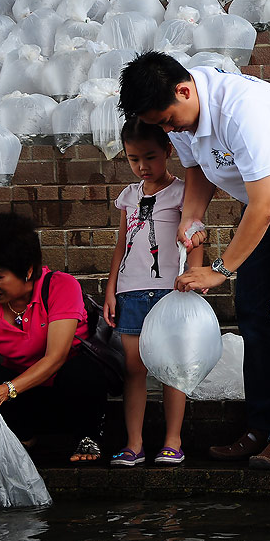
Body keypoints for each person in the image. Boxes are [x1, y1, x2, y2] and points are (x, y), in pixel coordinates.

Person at [118, 52, 270, 469]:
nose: (169, 131)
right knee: (253, 311)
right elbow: (197, 169)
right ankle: (259, 427)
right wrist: (191, 215)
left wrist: (220, 269)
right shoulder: (180, 112)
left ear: (184, 90)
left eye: (169, 120)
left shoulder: (240, 109)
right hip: (262, 197)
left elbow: (264, 205)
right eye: (161, 125)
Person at [0, 213, 109, 462]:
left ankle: (88, 435)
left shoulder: (61, 286)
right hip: (20, 398)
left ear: (27, 270)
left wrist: (6, 390)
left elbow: (56, 357)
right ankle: (23, 433)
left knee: (82, 369)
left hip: (67, 394)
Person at [103, 118, 203, 467]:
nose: (143, 166)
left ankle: (173, 441)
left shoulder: (182, 192)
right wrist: (111, 290)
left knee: (172, 366)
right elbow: (121, 246)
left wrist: (194, 278)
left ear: (168, 151)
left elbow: (195, 237)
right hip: (131, 292)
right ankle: (134, 444)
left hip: (169, 292)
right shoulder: (128, 196)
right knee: (134, 369)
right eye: (133, 159)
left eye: (150, 156)